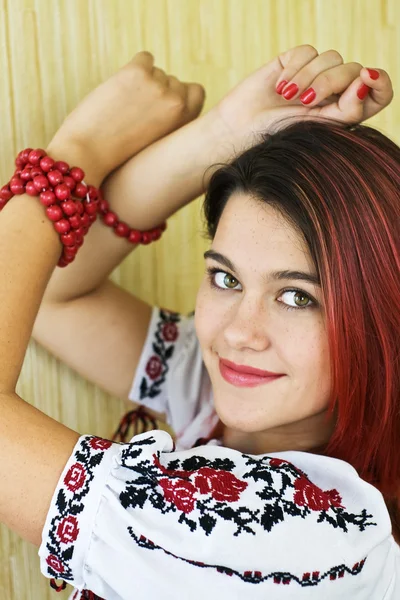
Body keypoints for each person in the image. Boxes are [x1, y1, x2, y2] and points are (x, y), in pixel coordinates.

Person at [0, 45, 398, 600]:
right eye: (226, 279)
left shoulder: (299, 538)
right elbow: (54, 294)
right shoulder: (228, 401)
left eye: (297, 297)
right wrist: (225, 133)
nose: (238, 333)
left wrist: (77, 152)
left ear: (380, 315)